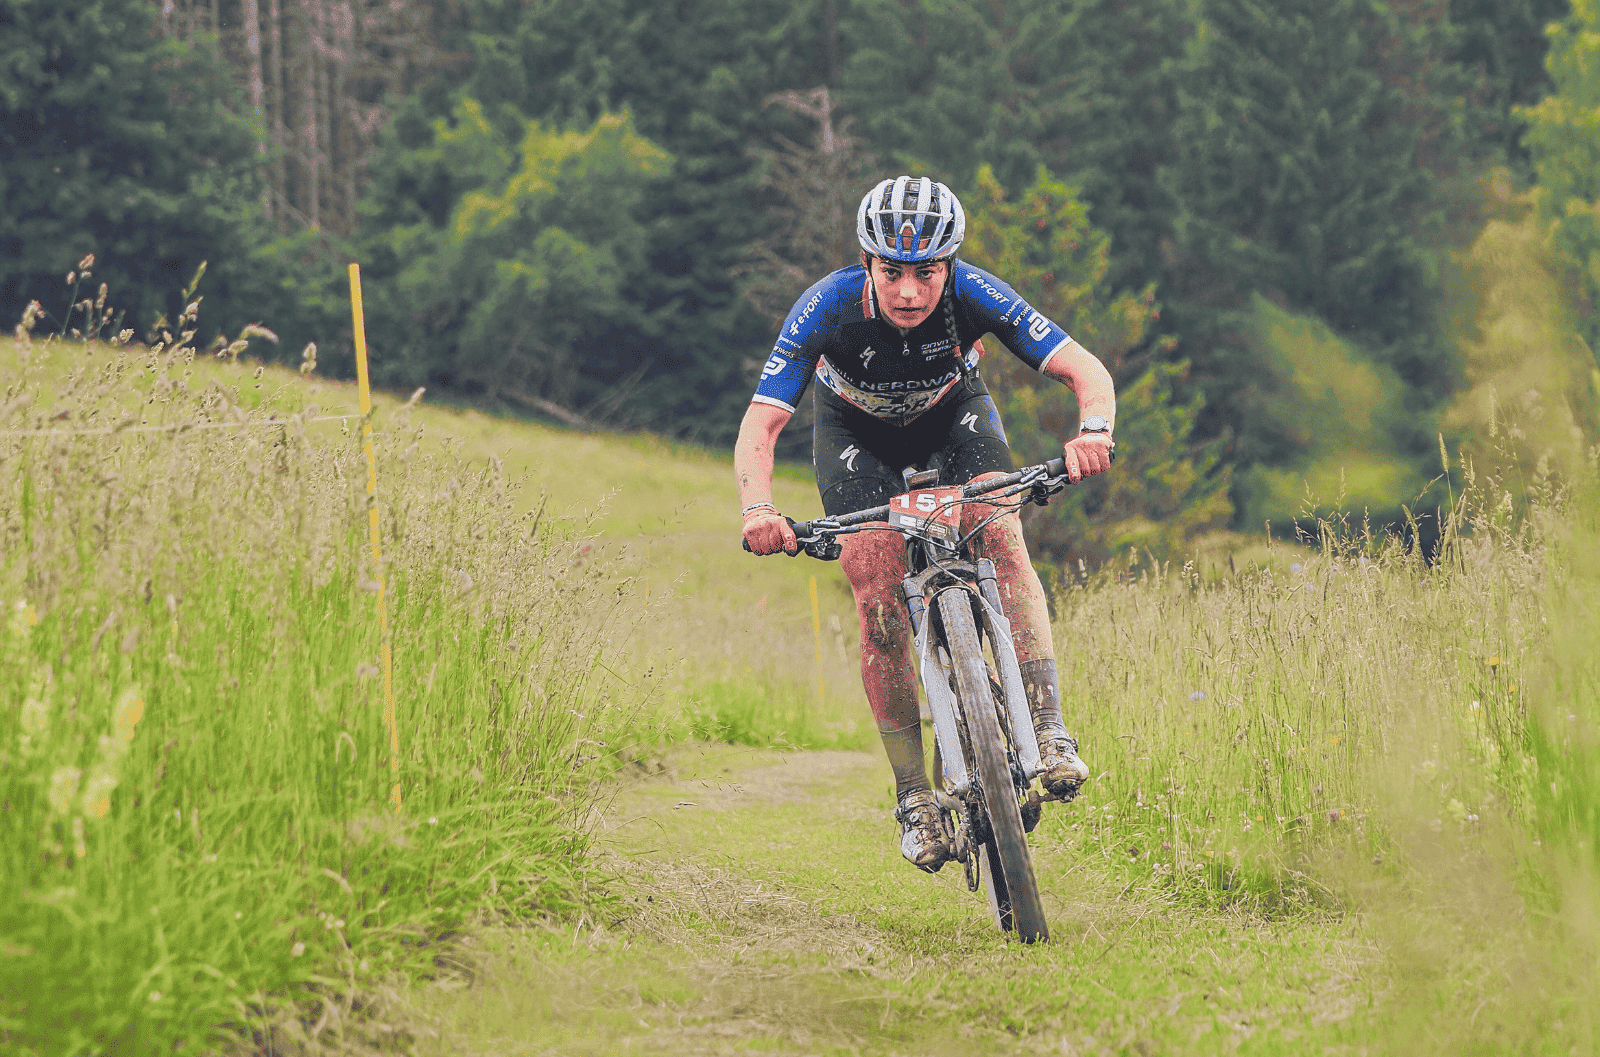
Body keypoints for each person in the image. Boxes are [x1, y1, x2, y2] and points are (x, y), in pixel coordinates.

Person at [734, 176, 1116, 872]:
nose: (910, 292)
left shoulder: (977, 293)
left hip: (956, 420)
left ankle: (1049, 728)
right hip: (855, 441)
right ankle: (914, 796)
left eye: (927, 273)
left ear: (951, 266)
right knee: (877, 588)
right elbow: (763, 421)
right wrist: (759, 508)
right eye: (893, 272)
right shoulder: (825, 307)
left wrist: (1094, 429)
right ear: (866, 262)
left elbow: (1081, 366)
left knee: (999, 531)